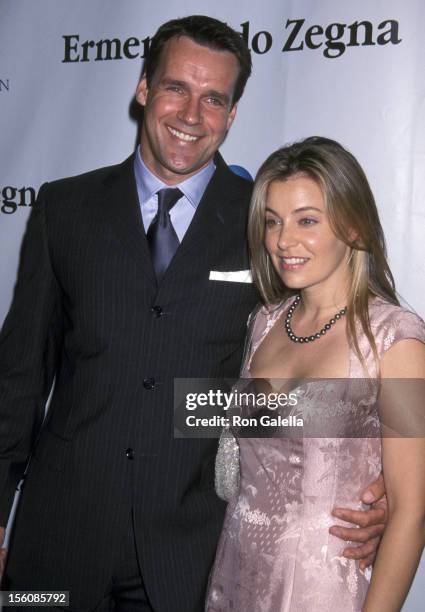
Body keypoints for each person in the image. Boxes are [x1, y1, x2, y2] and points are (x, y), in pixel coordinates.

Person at [0, 16, 386, 611]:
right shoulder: (64, 208)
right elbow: (20, 376)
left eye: (214, 99)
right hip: (58, 541)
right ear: (143, 89)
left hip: (196, 552)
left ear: (231, 115)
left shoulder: (268, 223)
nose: (191, 115)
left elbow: (332, 350)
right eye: (177, 87)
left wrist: (382, 481)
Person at [206, 136, 425, 611]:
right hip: (234, 578)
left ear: (353, 225)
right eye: (272, 222)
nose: (284, 241)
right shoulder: (262, 323)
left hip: (321, 590)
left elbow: (411, 512)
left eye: (307, 220)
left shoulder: (396, 340)